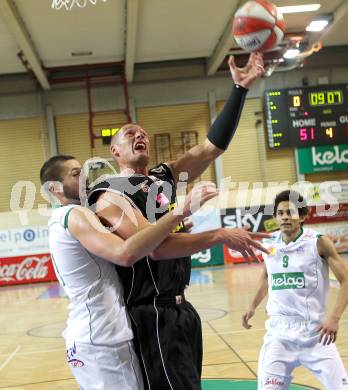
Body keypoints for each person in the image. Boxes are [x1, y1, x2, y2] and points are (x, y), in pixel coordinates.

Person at [88, 53, 268, 390]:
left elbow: (211, 148)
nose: (139, 135)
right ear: (114, 150)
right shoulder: (110, 191)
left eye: (142, 132)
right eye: (129, 134)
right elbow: (154, 248)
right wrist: (218, 235)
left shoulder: (163, 176)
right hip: (151, 313)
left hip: (181, 309)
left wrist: (239, 90)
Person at [40, 155, 217, 390]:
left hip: (92, 336)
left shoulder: (62, 219)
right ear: (54, 188)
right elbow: (126, 253)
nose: (84, 176)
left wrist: (170, 229)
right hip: (102, 337)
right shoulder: (75, 214)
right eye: (75, 174)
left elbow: (138, 237)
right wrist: (181, 212)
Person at [242, 190, 348, 390]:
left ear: (303, 216)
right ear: (275, 217)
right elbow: (267, 276)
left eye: (290, 212)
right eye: (280, 213)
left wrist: (334, 317)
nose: (285, 217)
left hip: (316, 333)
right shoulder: (269, 243)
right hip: (279, 333)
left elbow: (346, 281)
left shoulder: (318, 242)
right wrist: (252, 306)